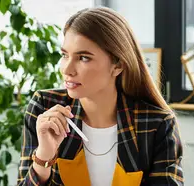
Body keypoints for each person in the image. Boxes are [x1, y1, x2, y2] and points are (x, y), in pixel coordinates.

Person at [16, 7, 184, 186]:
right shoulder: (44, 108)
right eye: (65, 55)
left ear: (117, 65)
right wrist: (44, 156)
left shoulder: (157, 123)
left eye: (83, 58)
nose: (67, 69)